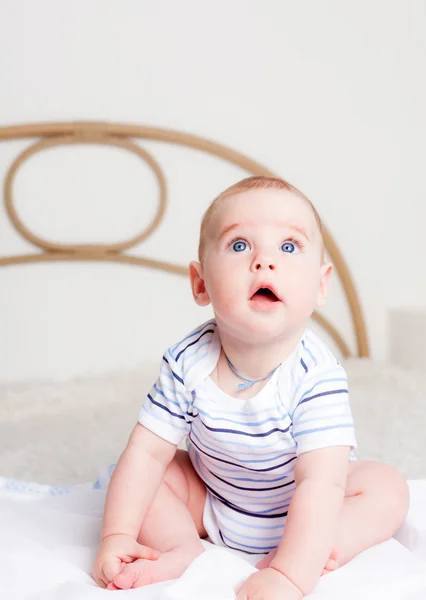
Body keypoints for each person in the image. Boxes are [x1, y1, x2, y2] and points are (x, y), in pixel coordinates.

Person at [92, 176, 409, 599]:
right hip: (211, 501)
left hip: (303, 509)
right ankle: (179, 546)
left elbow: (321, 483)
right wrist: (117, 535)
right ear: (200, 284)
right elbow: (147, 452)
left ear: (320, 284)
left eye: (289, 246)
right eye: (240, 246)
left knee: (386, 488)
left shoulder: (317, 375)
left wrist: (290, 577)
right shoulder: (187, 360)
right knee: (148, 471)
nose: (264, 261)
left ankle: (327, 549)